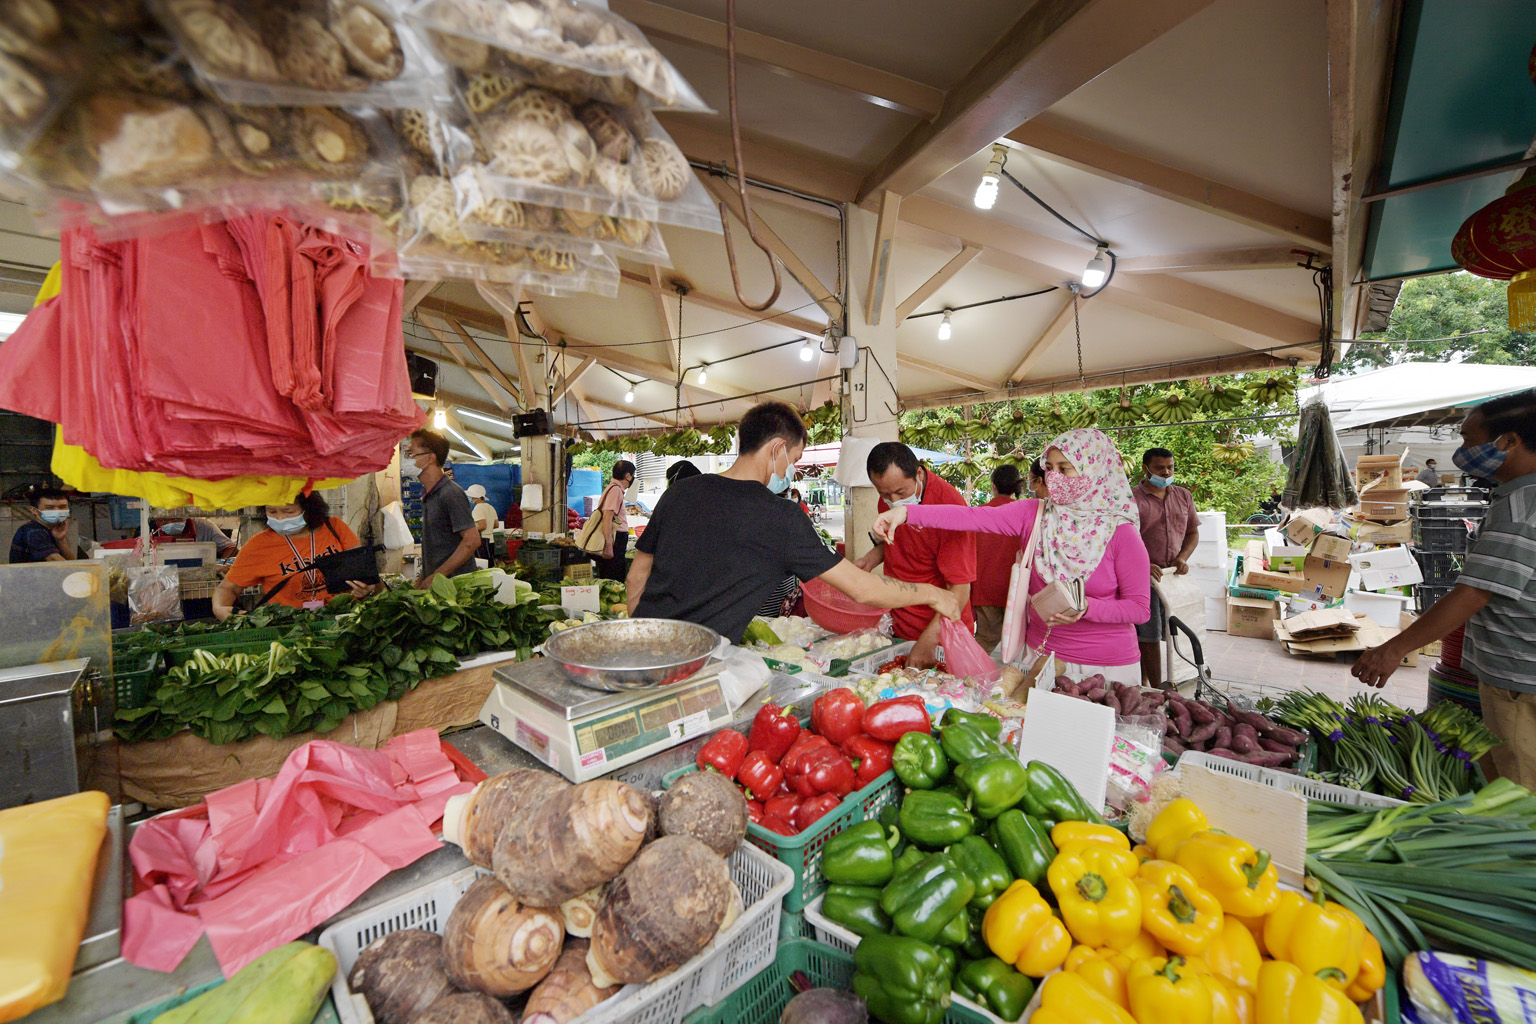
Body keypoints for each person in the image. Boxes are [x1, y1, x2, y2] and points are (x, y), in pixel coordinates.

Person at [628, 401, 960, 642]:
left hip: (640, 648)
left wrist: (641, 636)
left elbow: (637, 575)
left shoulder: (680, 492)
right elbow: (862, 589)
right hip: (694, 668)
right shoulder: (781, 518)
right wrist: (933, 594)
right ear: (777, 449)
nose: (792, 471)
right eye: (796, 460)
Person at [1354, 389, 1536, 788]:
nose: (1463, 449)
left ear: (1509, 441)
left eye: (1469, 439)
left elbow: (1475, 592)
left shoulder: (1523, 506)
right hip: (1517, 672)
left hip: (1521, 678)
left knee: (1518, 792)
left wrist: (1394, 649)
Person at [875, 428, 1150, 685]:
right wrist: (907, 513)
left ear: (1095, 471)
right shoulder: (1035, 514)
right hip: (1040, 659)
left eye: (1064, 469)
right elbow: (972, 517)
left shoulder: (1121, 533)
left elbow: (1139, 609)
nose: (1054, 477)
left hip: (1106, 667)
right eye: (1050, 468)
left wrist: (1087, 608)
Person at [856, 442, 976, 669]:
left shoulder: (950, 507)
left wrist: (929, 641)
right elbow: (901, 543)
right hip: (900, 626)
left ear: (919, 473)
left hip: (940, 632)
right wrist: (870, 559)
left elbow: (960, 590)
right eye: (884, 493)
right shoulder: (889, 497)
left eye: (901, 492)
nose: (893, 499)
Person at [212, 492, 375, 619]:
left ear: (308, 509)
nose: (280, 518)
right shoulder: (258, 546)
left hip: (343, 620)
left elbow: (366, 577)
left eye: (288, 511)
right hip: (292, 628)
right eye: (272, 511)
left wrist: (366, 590)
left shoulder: (335, 528)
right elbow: (227, 588)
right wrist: (220, 609)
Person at [1133, 447, 1199, 689]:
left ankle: (1157, 681)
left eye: (1170, 467)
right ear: (1146, 469)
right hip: (1143, 578)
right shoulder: (1131, 499)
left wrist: (1183, 557)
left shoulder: (1183, 496)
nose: (1166, 472)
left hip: (1173, 578)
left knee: (1173, 633)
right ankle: (1157, 686)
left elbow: (1192, 532)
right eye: (1160, 468)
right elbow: (1122, 539)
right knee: (1148, 635)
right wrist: (1142, 563)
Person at [404, 428, 481, 588]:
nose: (407, 459)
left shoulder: (451, 493)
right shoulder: (428, 495)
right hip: (439, 587)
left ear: (429, 458)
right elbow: (434, 549)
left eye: (411, 454)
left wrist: (435, 577)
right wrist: (421, 583)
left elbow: (472, 541)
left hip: (457, 589)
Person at [970, 464, 1024, 653]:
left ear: (993, 486)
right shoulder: (1025, 514)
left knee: (985, 641)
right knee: (1017, 644)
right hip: (1017, 589)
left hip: (985, 589)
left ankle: (975, 679)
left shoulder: (980, 513)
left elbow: (969, 555)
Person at [9, 486, 78, 563]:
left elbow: (72, 562)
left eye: (62, 507)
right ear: (34, 510)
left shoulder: (54, 529)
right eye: (50, 508)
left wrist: (61, 540)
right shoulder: (32, 531)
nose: (57, 511)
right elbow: (56, 562)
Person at [594, 460, 635, 581]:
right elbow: (607, 516)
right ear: (627, 476)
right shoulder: (616, 490)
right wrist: (608, 544)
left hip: (615, 538)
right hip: (615, 538)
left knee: (609, 575)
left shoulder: (611, 488)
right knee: (614, 577)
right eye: (632, 475)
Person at [151, 516, 239, 558]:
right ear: (156, 520)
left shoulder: (204, 526)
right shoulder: (148, 531)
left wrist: (218, 567)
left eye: (175, 518)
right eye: (164, 520)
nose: (170, 522)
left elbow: (231, 548)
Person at [466, 484, 497, 562]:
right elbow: (496, 524)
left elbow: (483, 526)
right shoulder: (490, 507)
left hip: (483, 541)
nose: (470, 498)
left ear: (477, 497)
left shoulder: (478, 508)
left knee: (483, 564)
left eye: (471, 496)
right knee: (490, 563)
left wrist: (471, 530)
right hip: (491, 540)